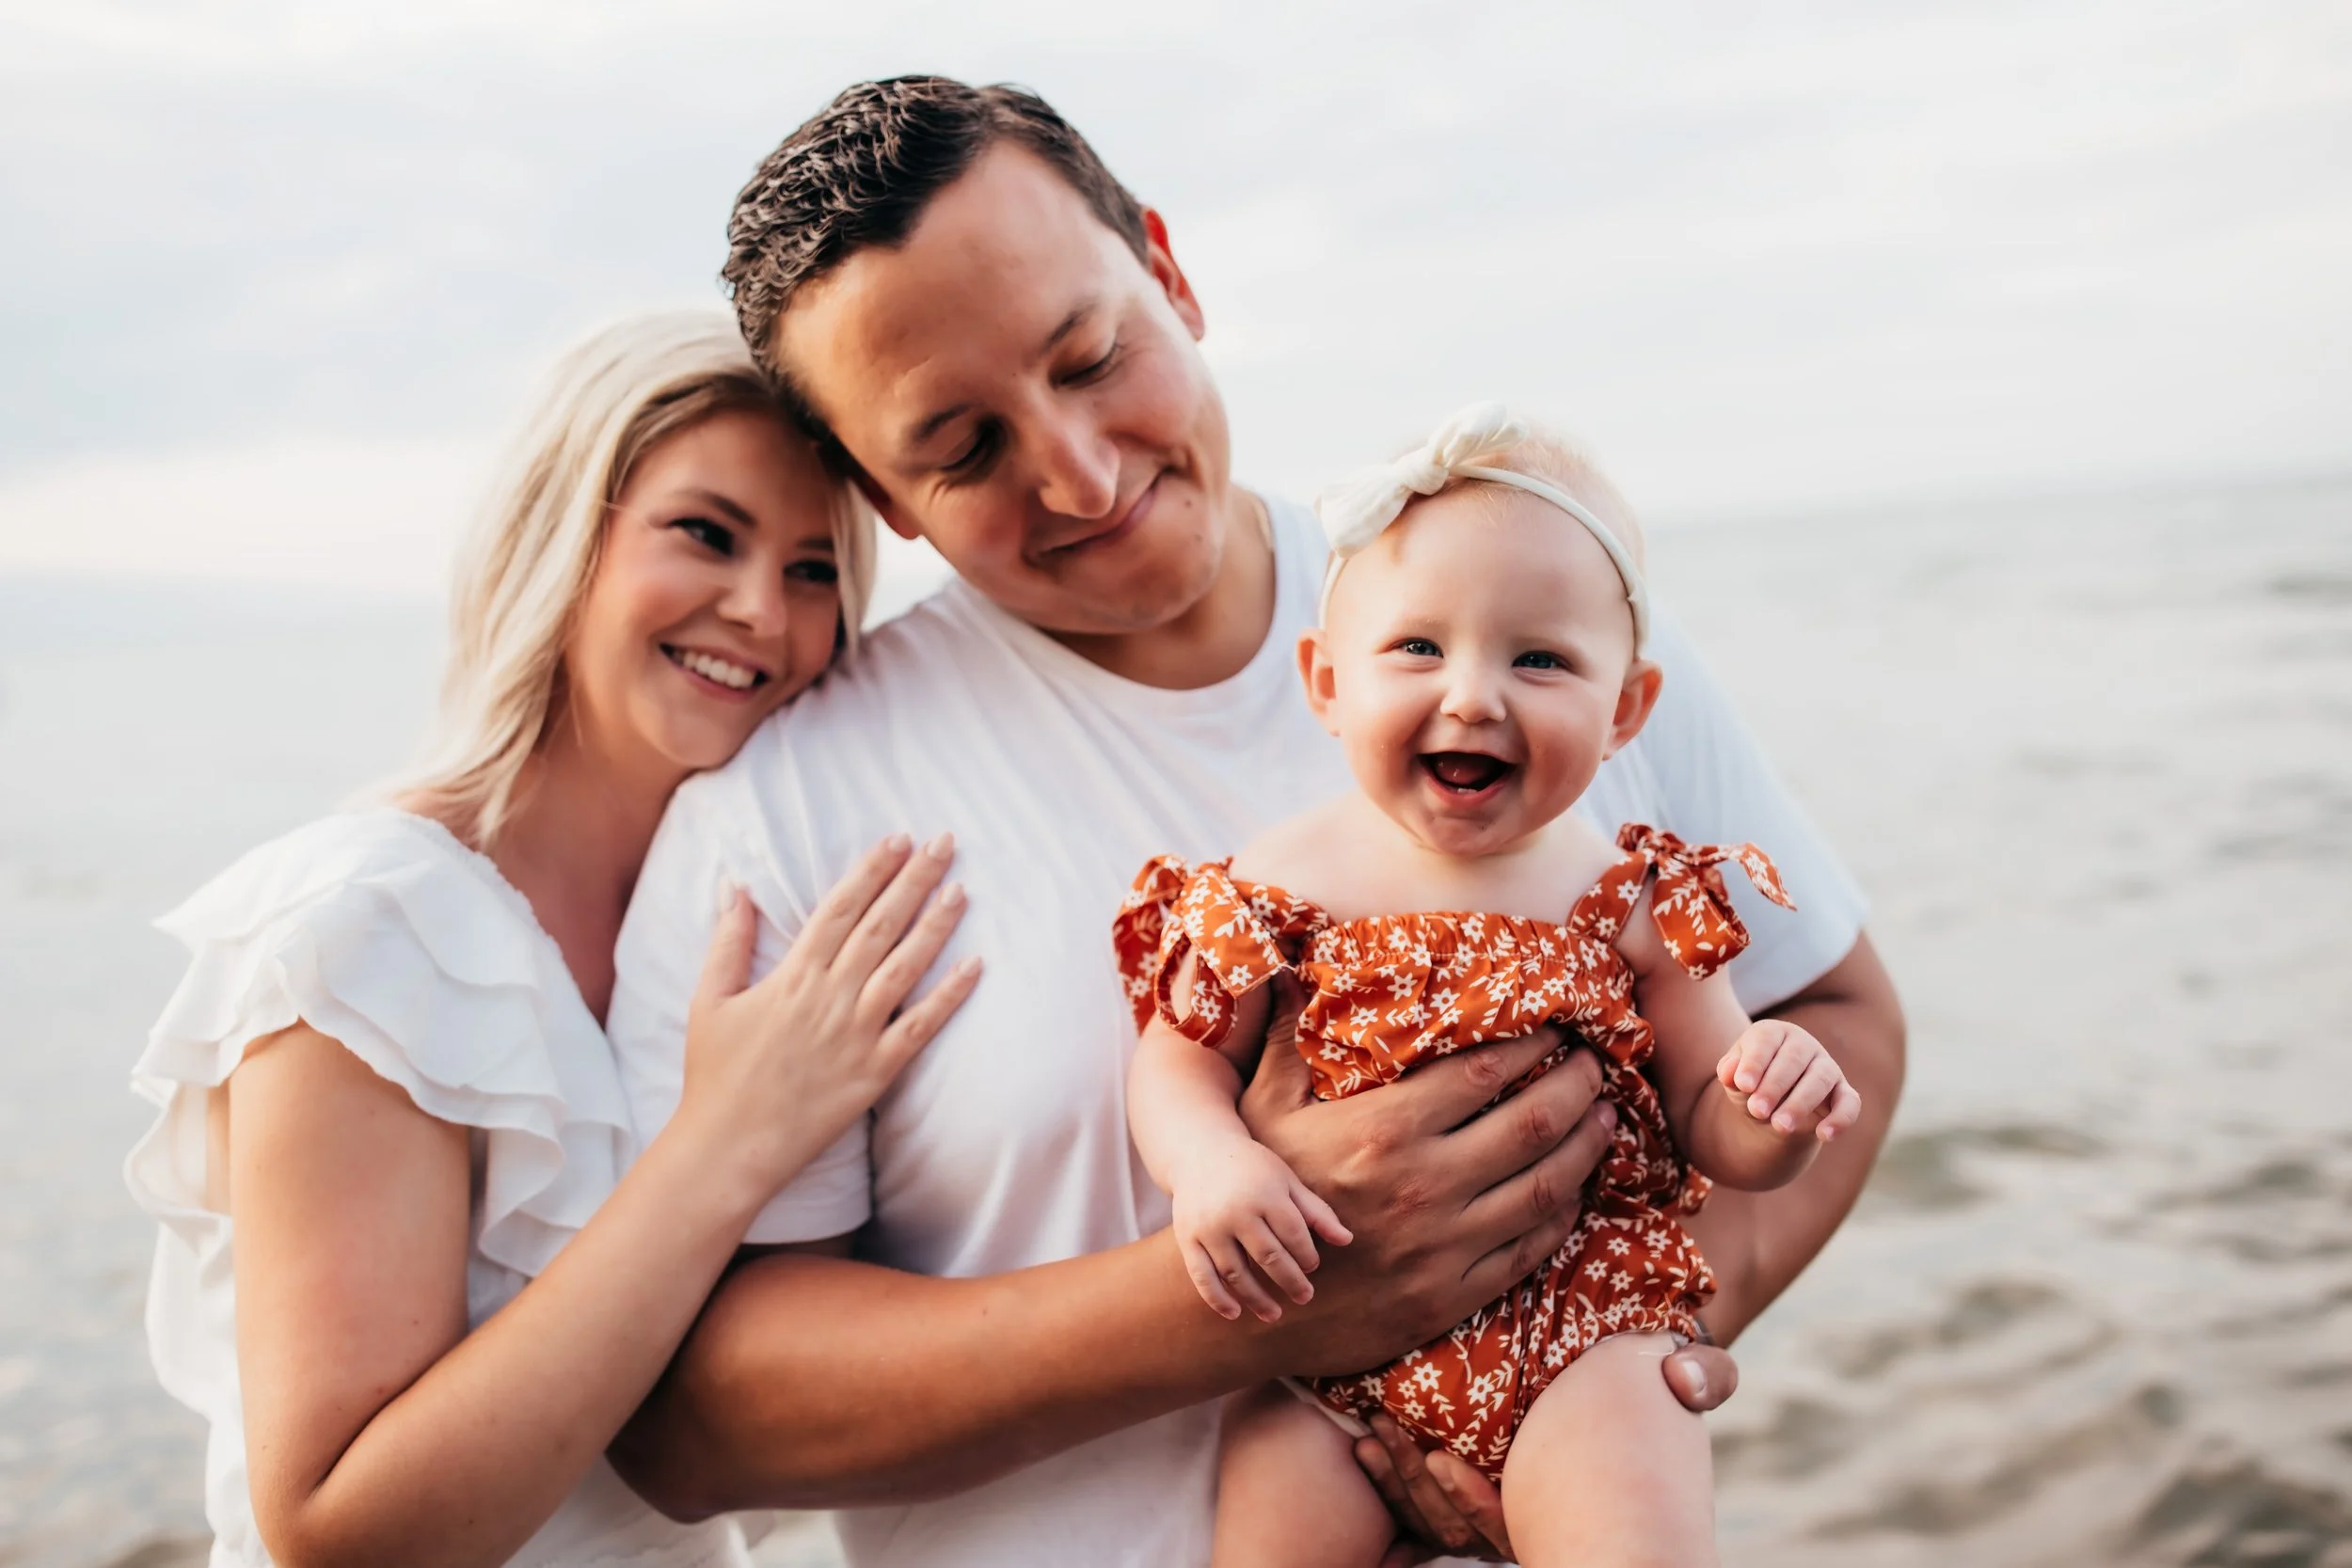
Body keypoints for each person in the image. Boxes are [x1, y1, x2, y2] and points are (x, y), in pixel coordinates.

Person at [605, 77, 1905, 1567]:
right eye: (961, 447)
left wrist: (1614, 1346)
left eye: (1092, 356)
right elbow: (688, 1422)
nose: (1080, 473)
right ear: (880, 497)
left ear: (1170, 269)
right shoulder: (793, 812)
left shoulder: (1529, 609)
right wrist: (1256, 1297)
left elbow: (1837, 1006)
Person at [124, 309, 978, 1568]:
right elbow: (341, 1531)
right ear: (566, 535)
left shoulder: (741, 931)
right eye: (707, 533)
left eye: (813, 570)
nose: (761, 610)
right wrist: (724, 1145)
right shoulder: (368, 927)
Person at [1117, 404, 1862, 1567]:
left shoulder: (1632, 901)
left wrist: (1776, 1107)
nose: (1472, 695)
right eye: (1417, 647)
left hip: (1581, 1333)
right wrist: (1211, 1162)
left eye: (1539, 657)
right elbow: (1176, 1060)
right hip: (1325, 1360)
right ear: (1324, 682)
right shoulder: (1273, 883)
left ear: (1624, 710)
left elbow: (1713, 1125)